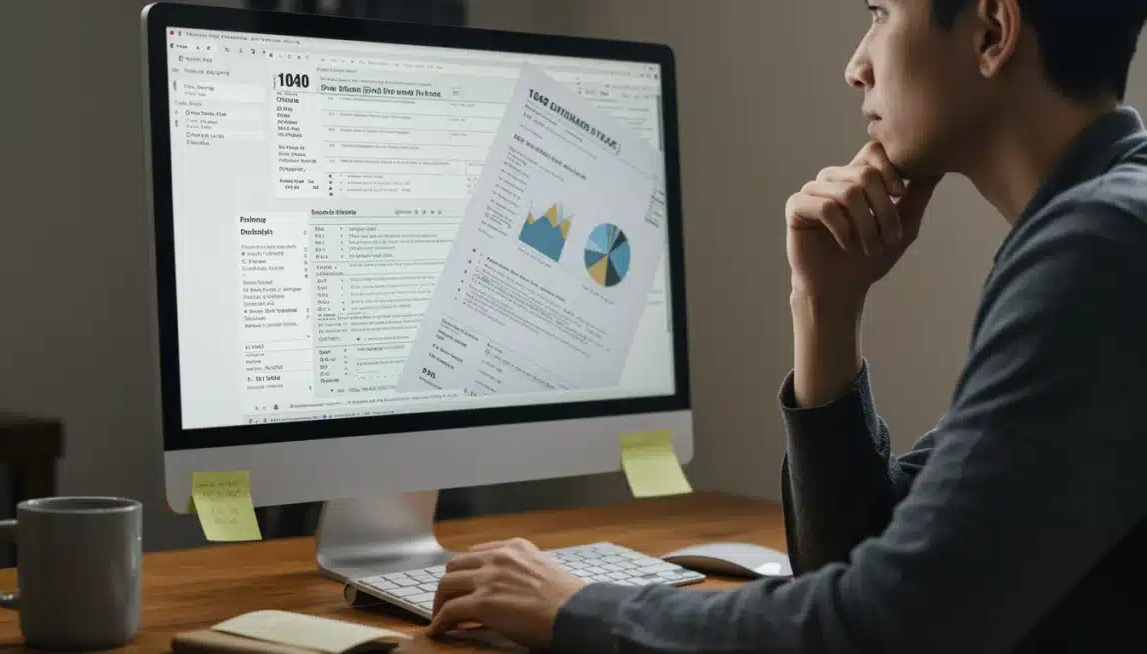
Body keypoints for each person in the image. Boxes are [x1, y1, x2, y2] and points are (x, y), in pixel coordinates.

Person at [427, 0, 1147, 651]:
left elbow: (887, 628)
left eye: (880, 13)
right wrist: (825, 309)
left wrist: (580, 608)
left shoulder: (1100, 250)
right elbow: (870, 565)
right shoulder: (1101, 230)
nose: (855, 66)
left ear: (992, 30)